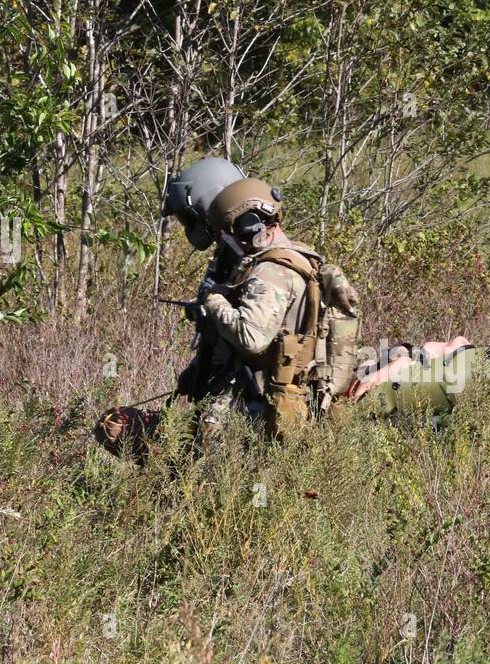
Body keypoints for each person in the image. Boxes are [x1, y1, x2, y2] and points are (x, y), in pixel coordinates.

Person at [95, 159, 360, 458]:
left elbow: (252, 337)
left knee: (119, 430)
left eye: (229, 232)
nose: (227, 239)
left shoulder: (272, 271)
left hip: (255, 410)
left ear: (247, 224)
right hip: (272, 404)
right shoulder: (296, 259)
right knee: (124, 429)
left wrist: (214, 299)